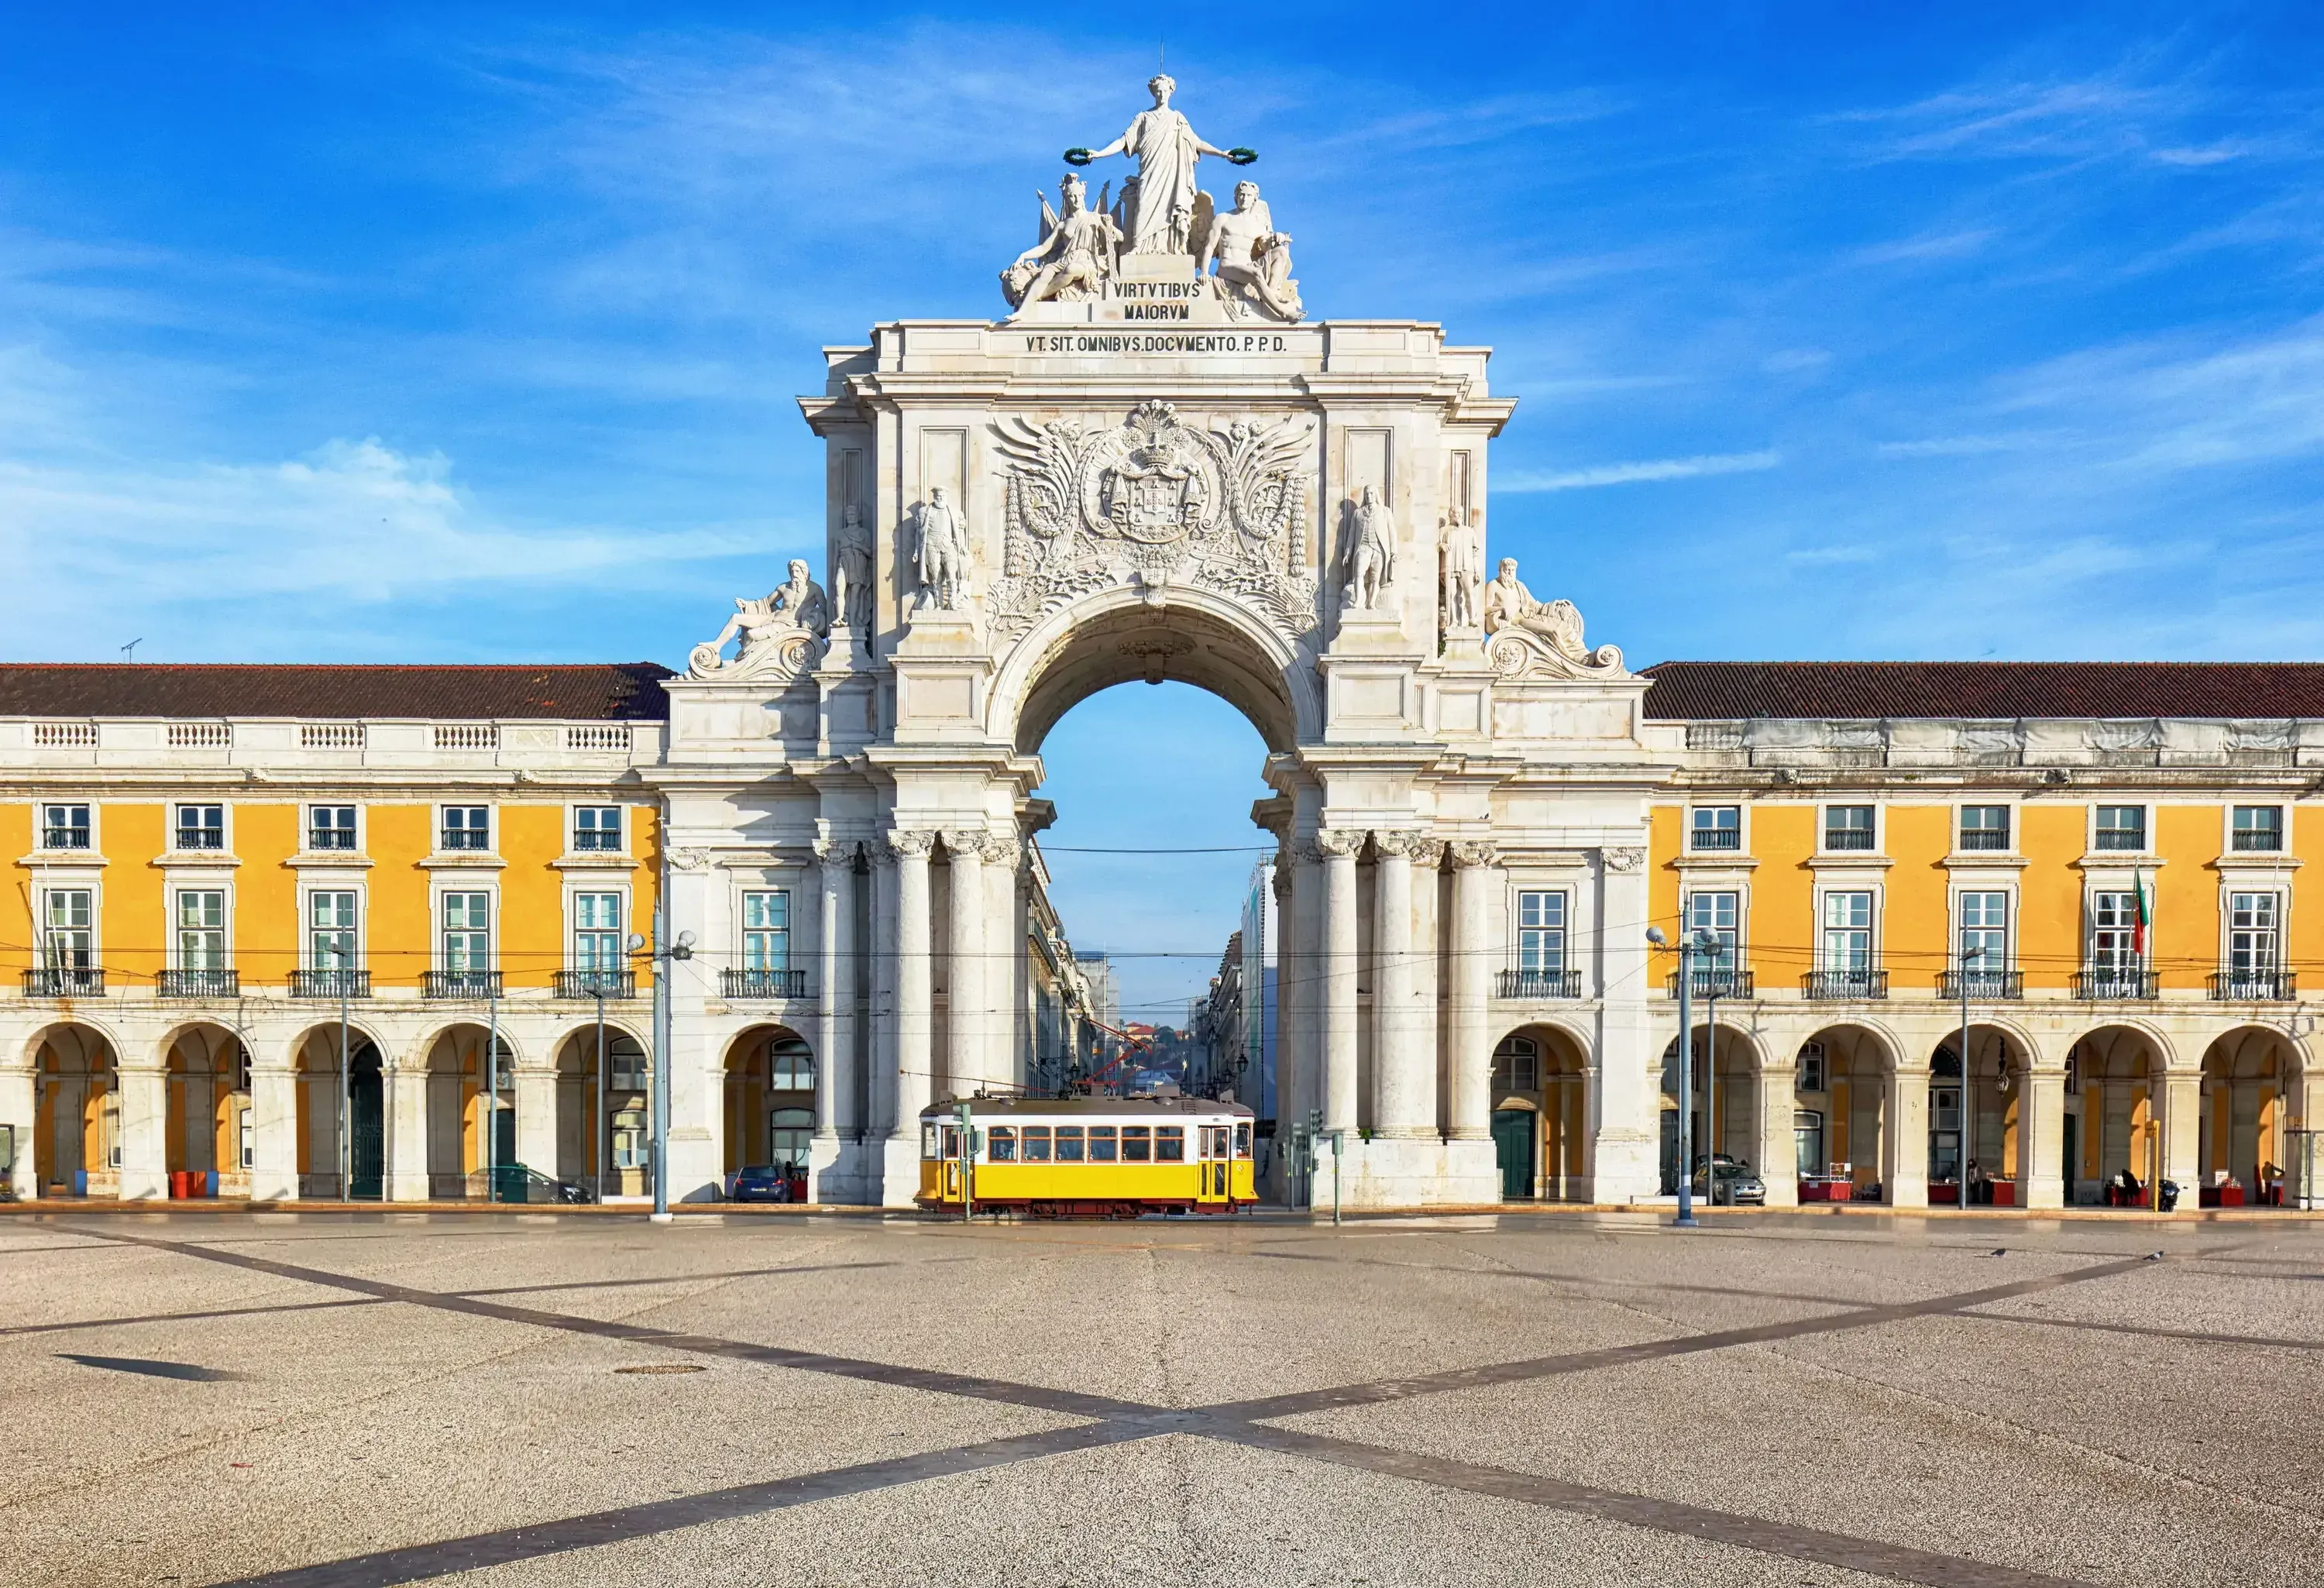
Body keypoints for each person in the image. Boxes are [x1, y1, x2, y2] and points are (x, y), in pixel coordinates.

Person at [1074, 74, 1239, 256]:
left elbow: (1197, 143)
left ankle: (1174, 248)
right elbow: (1124, 141)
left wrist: (1222, 153)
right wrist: (1099, 153)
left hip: (1173, 175)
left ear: (1171, 92)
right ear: (1153, 93)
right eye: (1158, 91)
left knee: (1172, 209)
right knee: (1144, 206)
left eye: (1165, 91)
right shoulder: (1143, 118)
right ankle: (1140, 247)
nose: (1161, 95)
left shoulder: (1177, 118)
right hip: (1150, 173)